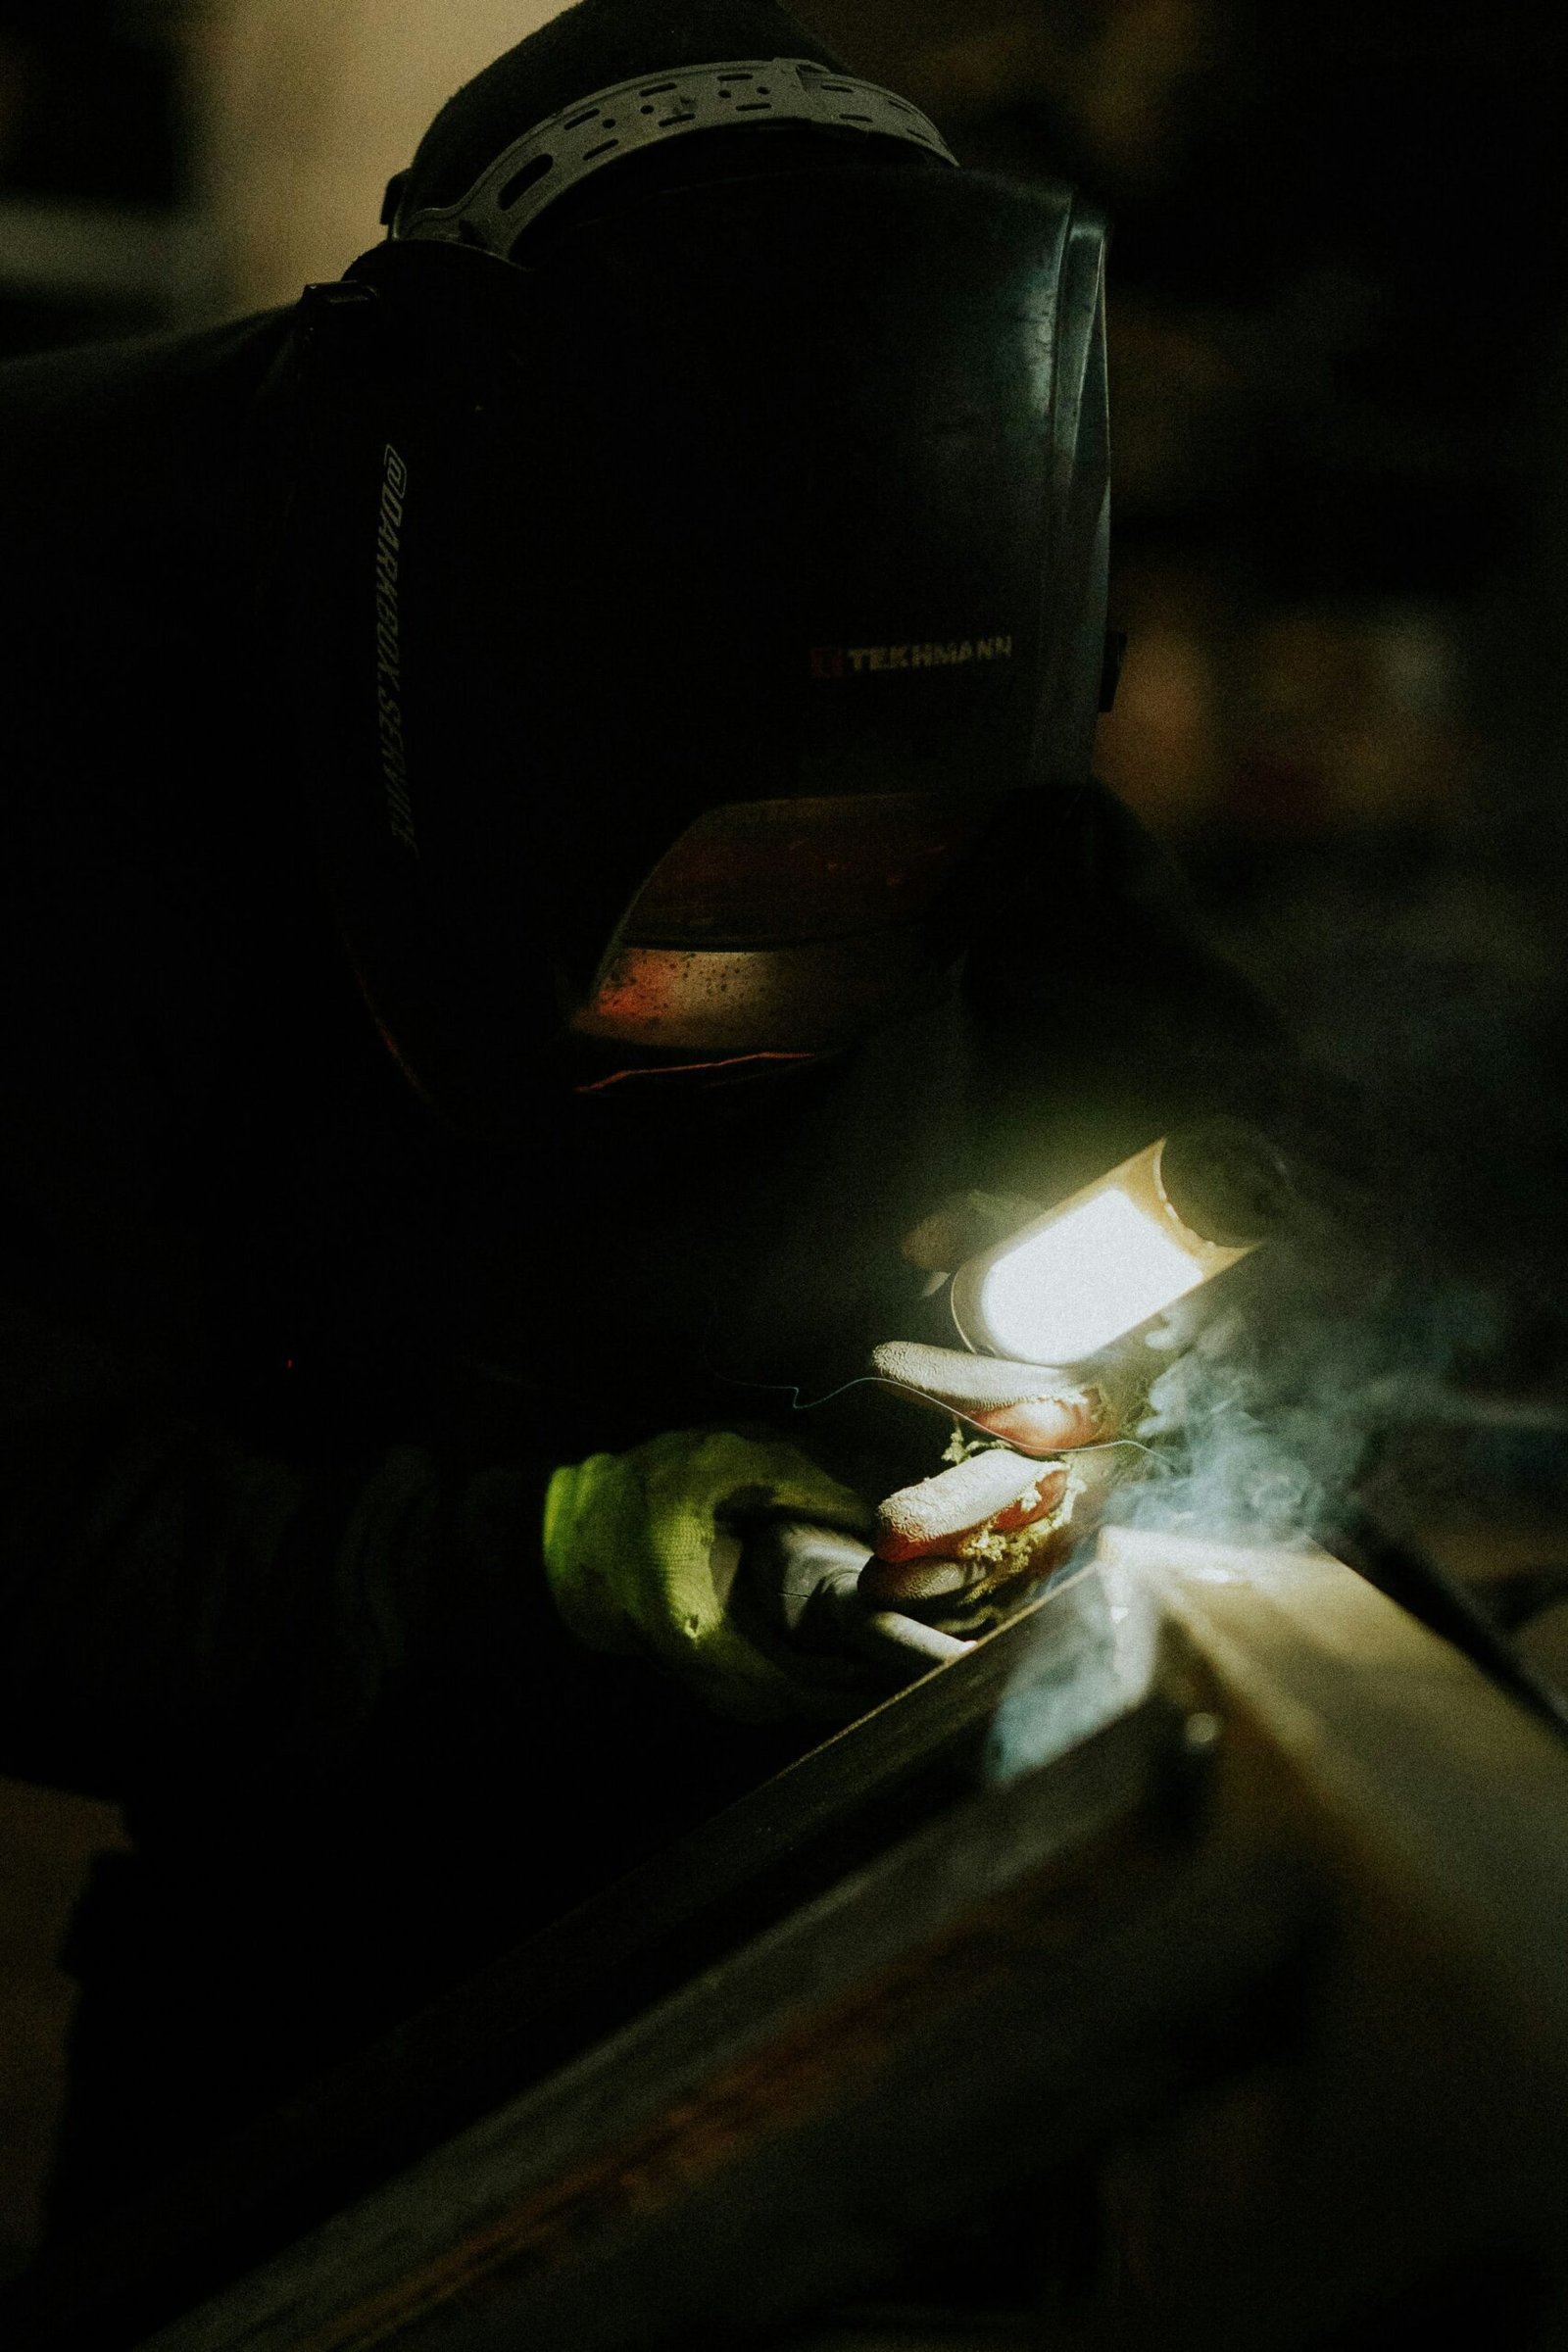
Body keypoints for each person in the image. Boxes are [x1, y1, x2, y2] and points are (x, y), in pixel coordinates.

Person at [0, 0, 1289, 2215]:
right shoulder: (63, 665)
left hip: (835, 1890)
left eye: (872, 866)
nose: (737, 982)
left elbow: (1241, 1127)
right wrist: (530, 1567)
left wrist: (1196, 1342)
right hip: (316, 1910)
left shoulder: (955, 698)